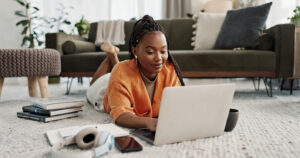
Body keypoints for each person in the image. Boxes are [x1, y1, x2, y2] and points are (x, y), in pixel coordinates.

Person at [87, 15, 185, 131]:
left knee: (118, 70)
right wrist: (149, 122)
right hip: (103, 91)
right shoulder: (121, 71)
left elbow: (179, 104)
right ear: (135, 51)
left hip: (121, 77)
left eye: (163, 51)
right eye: (150, 52)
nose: (159, 58)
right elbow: (121, 115)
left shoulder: (169, 70)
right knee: (93, 84)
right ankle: (111, 56)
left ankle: (112, 56)